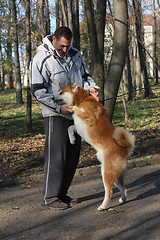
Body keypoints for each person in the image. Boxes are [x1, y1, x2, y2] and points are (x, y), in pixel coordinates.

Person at [30, 26, 99, 210]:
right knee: (56, 157)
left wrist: (91, 89)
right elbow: (37, 90)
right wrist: (58, 107)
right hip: (55, 114)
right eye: (62, 46)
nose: (65, 50)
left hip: (76, 112)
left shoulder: (75, 55)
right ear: (54, 39)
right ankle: (50, 197)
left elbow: (85, 76)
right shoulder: (41, 58)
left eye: (67, 46)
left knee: (72, 156)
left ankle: (61, 194)